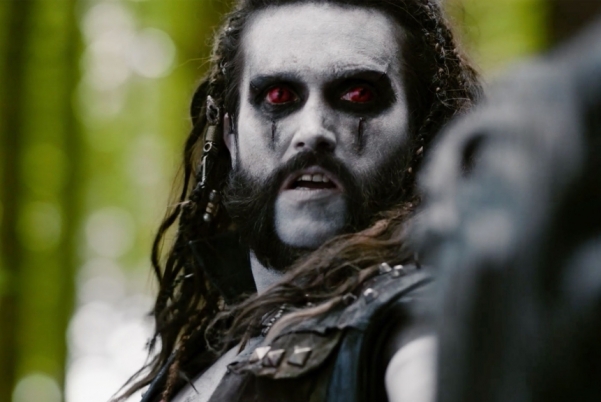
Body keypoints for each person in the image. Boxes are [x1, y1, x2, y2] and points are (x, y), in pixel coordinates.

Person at [116, 0, 480, 401]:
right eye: (279, 96)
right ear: (230, 136)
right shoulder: (192, 364)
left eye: (358, 95)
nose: (312, 130)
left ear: (420, 132)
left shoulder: (418, 321)